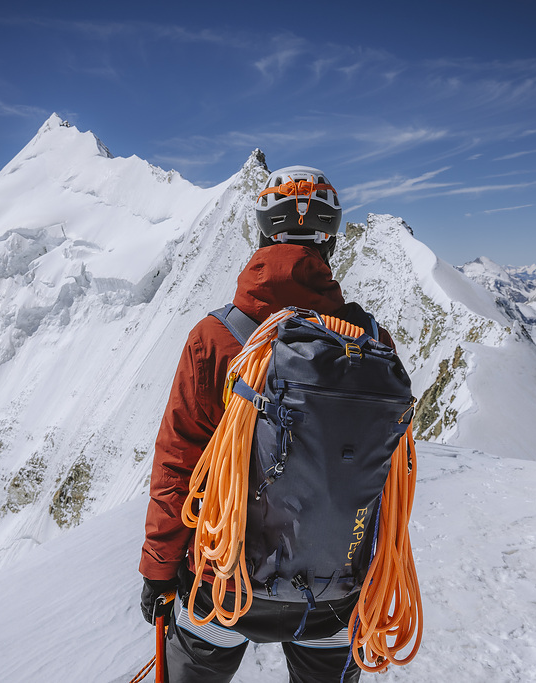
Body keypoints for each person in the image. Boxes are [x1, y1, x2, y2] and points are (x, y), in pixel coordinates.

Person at [139, 166, 395, 683]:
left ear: (260, 233)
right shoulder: (370, 343)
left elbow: (178, 464)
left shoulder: (214, 338)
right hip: (335, 592)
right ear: (331, 241)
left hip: (224, 587)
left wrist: (159, 571)